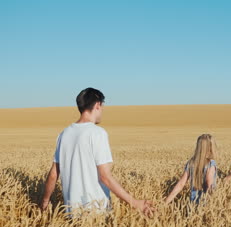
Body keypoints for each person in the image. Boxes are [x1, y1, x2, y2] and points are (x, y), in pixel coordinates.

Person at [40, 88, 155, 217]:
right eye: (102, 107)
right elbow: (105, 177)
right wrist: (135, 203)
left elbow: (53, 174)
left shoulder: (64, 134)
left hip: (72, 212)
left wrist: (45, 201)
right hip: (97, 212)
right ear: (97, 105)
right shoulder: (97, 133)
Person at [164, 134, 217, 204]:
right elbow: (209, 184)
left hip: (193, 203)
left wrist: (165, 202)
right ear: (211, 147)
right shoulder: (211, 164)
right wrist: (216, 201)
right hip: (206, 205)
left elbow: (180, 184)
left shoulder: (191, 163)